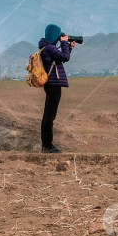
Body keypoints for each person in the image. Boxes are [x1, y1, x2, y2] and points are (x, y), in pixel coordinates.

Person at [38, 23, 76, 153]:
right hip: (53, 84)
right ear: (54, 35)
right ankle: (47, 146)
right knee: (50, 116)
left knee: (48, 115)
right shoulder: (49, 48)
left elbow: (60, 59)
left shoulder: (46, 47)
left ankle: (46, 145)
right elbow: (64, 57)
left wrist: (68, 48)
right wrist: (64, 43)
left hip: (51, 84)